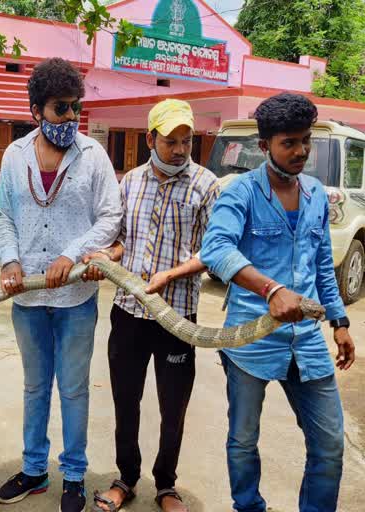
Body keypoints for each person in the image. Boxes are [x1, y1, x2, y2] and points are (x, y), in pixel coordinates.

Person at [200, 93, 356, 512]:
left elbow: (323, 263)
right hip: (250, 340)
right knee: (243, 439)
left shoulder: (316, 194)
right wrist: (271, 290)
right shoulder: (241, 193)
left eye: (306, 141)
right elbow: (216, 249)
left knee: (329, 443)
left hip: (306, 341)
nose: (301, 151)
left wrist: (339, 321)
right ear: (265, 145)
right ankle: (249, 506)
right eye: (289, 143)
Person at [0, 57, 122, 512]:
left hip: (75, 297)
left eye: (74, 107)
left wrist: (73, 253)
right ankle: (33, 470)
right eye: (59, 108)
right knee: (34, 387)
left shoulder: (93, 156)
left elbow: (111, 215)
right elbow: (5, 215)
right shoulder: (15, 155)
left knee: (72, 387)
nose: (70, 117)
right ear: (36, 110)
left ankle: (73, 475)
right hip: (26, 295)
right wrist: (8, 260)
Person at [83, 99, 220, 512]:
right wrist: (109, 256)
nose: (180, 149)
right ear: (150, 139)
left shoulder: (206, 185)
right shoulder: (130, 183)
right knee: (127, 401)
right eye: (170, 141)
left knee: (173, 407)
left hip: (177, 317)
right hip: (128, 313)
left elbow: (216, 250)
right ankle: (126, 478)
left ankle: (166, 485)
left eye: (187, 140)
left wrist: (173, 274)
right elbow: (123, 239)